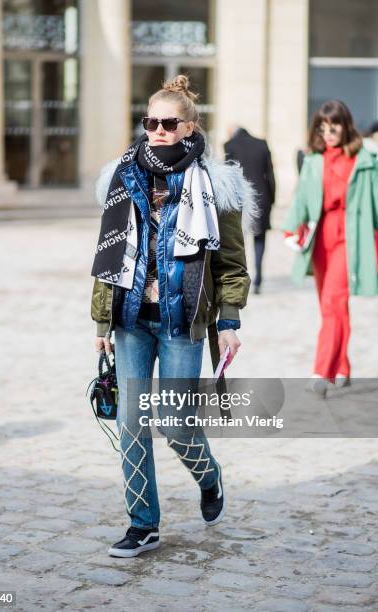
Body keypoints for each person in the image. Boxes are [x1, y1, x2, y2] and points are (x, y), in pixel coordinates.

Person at [90, 75, 256, 557]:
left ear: (189, 127)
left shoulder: (217, 185)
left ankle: (209, 477)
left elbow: (230, 263)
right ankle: (144, 524)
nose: (157, 130)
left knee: (176, 420)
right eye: (150, 122)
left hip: (184, 321)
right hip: (132, 318)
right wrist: (103, 323)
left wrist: (229, 322)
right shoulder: (122, 176)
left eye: (167, 123)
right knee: (131, 423)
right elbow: (109, 252)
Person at [283, 100, 378, 393]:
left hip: (352, 237)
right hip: (321, 239)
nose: (328, 132)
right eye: (322, 127)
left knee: (334, 302)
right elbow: (301, 198)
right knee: (330, 307)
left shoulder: (365, 160)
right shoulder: (313, 160)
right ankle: (343, 367)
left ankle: (322, 370)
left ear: (345, 125)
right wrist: (290, 227)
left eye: (333, 125)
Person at [224, 126, 275, 294]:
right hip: (262, 196)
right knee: (260, 239)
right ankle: (258, 279)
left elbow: (228, 176)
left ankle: (240, 277)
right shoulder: (262, 144)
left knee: (238, 241)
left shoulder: (230, 145)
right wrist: (272, 198)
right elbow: (271, 175)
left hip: (239, 198)